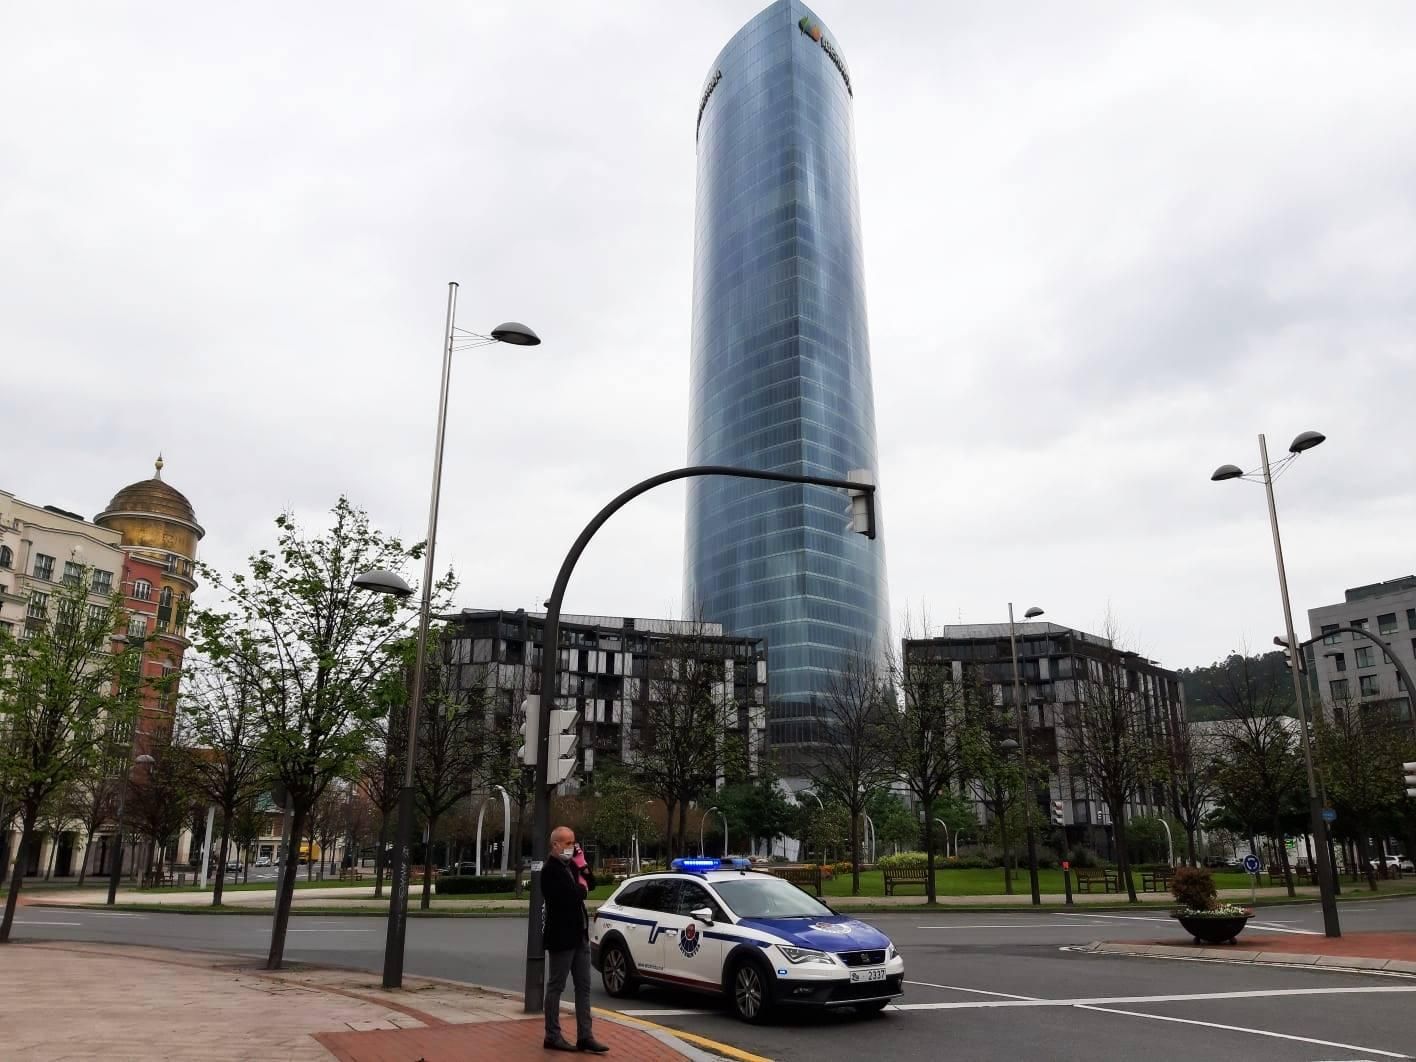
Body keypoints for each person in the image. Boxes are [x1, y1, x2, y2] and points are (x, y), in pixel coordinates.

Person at [542, 826, 608, 1054]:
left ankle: (585, 1036)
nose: (572, 847)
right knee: (556, 986)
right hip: (562, 938)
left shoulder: (571, 865)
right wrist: (582, 889)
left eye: (573, 843)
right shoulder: (550, 871)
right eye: (568, 843)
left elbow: (592, 884)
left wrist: (582, 864)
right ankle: (552, 1035)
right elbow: (572, 896)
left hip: (580, 936)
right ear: (555, 845)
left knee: (584, 987)